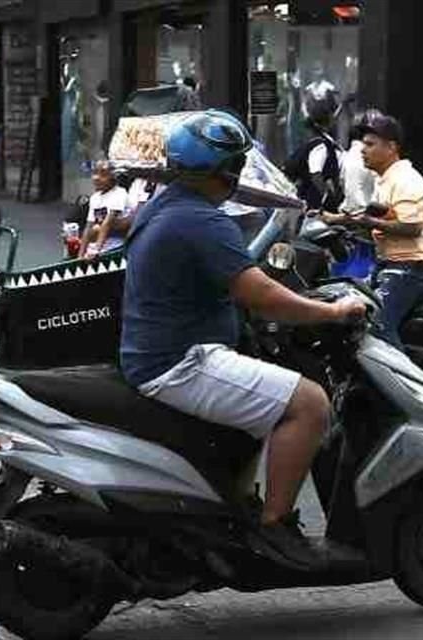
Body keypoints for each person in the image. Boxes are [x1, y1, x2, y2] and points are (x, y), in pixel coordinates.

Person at [120, 110, 365, 569]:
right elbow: (262, 295)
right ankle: (275, 528)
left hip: (160, 352)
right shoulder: (201, 221)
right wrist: (330, 312)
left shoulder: (165, 206)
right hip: (182, 362)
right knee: (310, 404)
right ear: (226, 172)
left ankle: (237, 508)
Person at [322, 114, 423, 347]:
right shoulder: (384, 180)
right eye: (362, 144)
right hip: (390, 263)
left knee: (377, 328)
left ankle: (403, 382)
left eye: (370, 144)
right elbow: (374, 216)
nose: (362, 150)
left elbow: (412, 227)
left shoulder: (405, 179)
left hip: (412, 266)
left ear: (391, 148)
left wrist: (371, 223)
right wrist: (331, 219)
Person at [285, 94, 344, 211]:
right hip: (314, 204)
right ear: (328, 120)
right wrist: (328, 195)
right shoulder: (321, 145)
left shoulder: (321, 141)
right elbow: (316, 173)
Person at [78, 160, 130, 258]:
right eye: (95, 173)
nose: (97, 178)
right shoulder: (94, 198)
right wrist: (80, 256)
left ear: (113, 177)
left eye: (103, 174)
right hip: (99, 244)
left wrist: (96, 250)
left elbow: (108, 223)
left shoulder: (119, 193)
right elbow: (88, 227)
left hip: (116, 246)